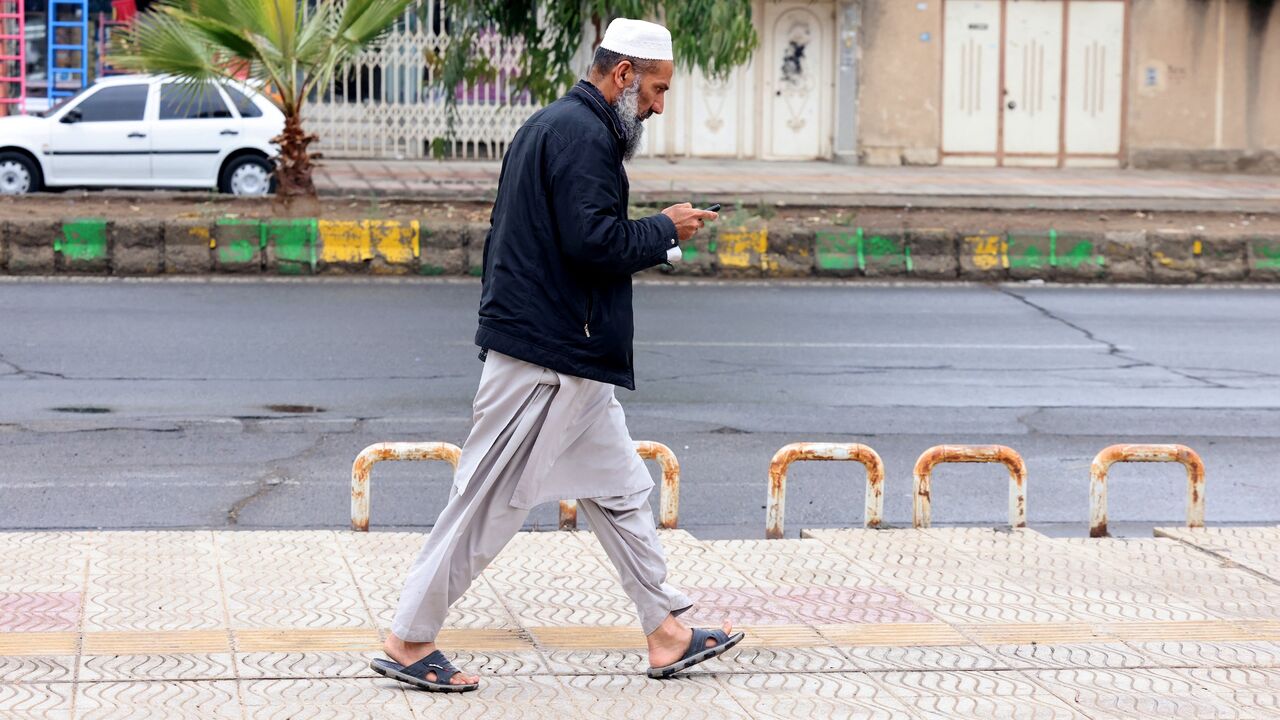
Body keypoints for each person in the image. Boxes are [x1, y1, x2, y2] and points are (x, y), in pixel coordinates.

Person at [370, 18, 742, 693]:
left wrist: (657, 233)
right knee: (486, 503)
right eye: (656, 89)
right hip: (547, 361)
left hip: (572, 357)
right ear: (623, 74)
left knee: (622, 491)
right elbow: (591, 243)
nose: (659, 105)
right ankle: (408, 639)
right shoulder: (582, 136)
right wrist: (667, 229)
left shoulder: (558, 127)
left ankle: (667, 632)